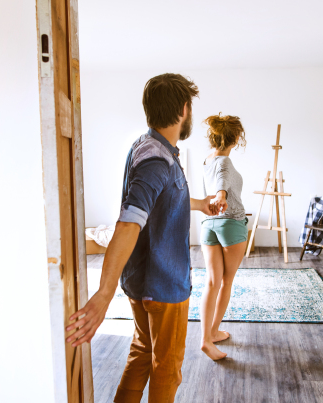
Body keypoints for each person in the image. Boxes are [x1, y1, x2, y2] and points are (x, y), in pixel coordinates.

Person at [64, 73, 217, 403]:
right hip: (163, 286)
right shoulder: (157, 159)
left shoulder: (150, 148)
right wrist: (103, 295)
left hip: (142, 281)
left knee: (143, 354)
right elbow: (129, 223)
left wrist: (200, 205)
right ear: (183, 110)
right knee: (167, 369)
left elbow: (161, 201)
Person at [199, 113, 248, 361]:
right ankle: (213, 332)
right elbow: (222, 182)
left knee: (211, 282)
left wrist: (218, 196)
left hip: (208, 225)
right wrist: (221, 195)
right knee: (226, 282)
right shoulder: (225, 162)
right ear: (236, 137)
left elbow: (217, 180)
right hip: (231, 223)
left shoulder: (208, 160)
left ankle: (206, 337)